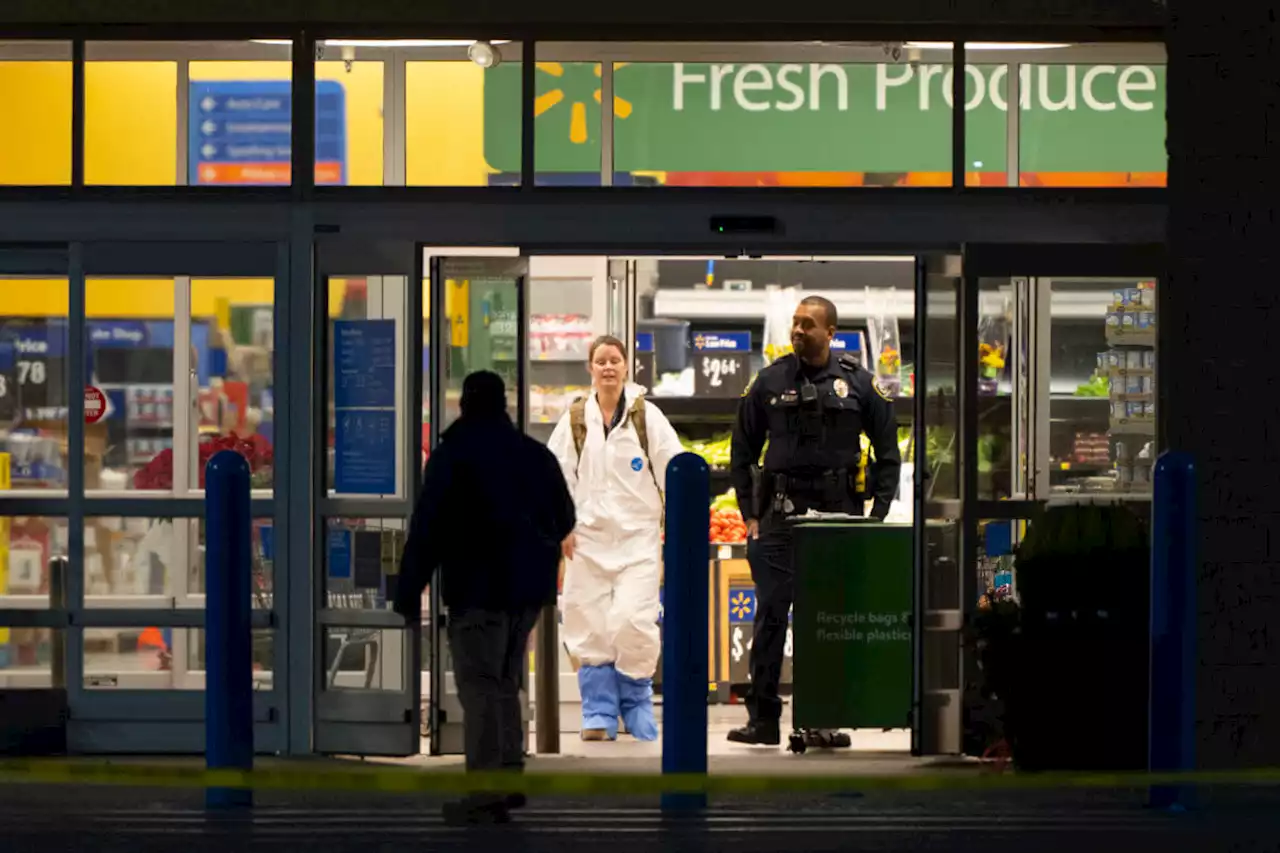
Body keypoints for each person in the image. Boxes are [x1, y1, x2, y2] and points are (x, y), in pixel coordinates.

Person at [393, 370, 575, 825]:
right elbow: (565, 516)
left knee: (478, 688)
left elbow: (426, 530)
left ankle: (484, 788)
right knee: (507, 683)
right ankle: (510, 775)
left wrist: (406, 592)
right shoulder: (533, 455)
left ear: (464, 405)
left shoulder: (452, 456)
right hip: (525, 595)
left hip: (475, 590)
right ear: (504, 405)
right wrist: (537, 550)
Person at [726, 296, 902, 746]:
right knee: (771, 616)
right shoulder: (767, 382)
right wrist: (750, 516)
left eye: (808, 324)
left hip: (838, 520)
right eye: (795, 323)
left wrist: (876, 516)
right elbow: (742, 453)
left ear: (831, 332)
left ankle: (825, 718)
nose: (798, 330)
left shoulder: (859, 384)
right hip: (778, 520)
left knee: (826, 619)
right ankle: (762, 720)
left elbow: (888, 453)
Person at [547, 334, 684, 742]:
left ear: (627, 368)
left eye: (615, 360)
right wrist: (561, 525)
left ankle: (636, 703)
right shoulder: (574, 419)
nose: (608, 367)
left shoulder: (648, 418)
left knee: (633, 621)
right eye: (601, 361)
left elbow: (675, 470)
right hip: (585, 544)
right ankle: (598, 711)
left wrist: (674, 530)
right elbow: (555, 477)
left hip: (638, 542)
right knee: (586, 625)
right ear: (590, 368)